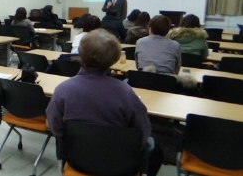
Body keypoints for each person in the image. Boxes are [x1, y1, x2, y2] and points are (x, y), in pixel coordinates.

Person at [47, 29, 163, 176]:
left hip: (77, 161)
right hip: (119, 165)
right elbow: (143, 132)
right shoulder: (125, 92)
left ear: (81, 55)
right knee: (155, 150)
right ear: (114, 58)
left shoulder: (63, 89)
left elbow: (54, 126)